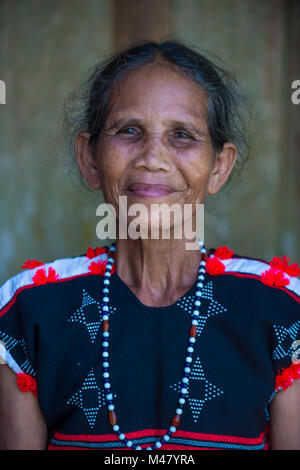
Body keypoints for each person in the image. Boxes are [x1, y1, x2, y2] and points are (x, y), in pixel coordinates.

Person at [0, 40, 299, 451]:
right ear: (90, 158)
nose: (152, 158)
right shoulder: (27, 310)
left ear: (219, 166)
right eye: (128, 131)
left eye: (182, 135)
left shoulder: (280, 308)